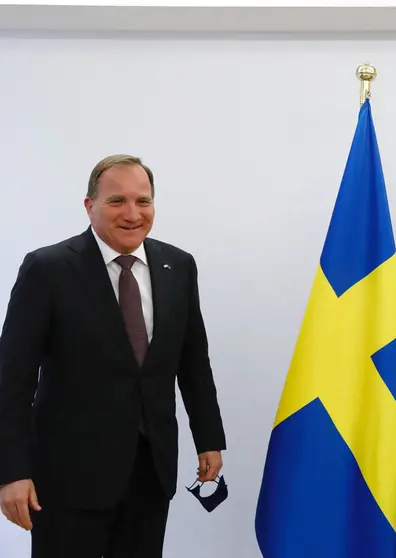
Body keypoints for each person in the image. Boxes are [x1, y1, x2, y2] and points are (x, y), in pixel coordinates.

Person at [0, 155, 227, 557]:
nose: (132, 214)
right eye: (117, 201)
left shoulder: (179, 266)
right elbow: (11, 381)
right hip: (67, 477)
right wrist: (12, 472)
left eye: (143, 201)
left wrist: (208, 439)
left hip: (150, 472)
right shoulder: (47, 269)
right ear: (90, 206)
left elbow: (193, 362)